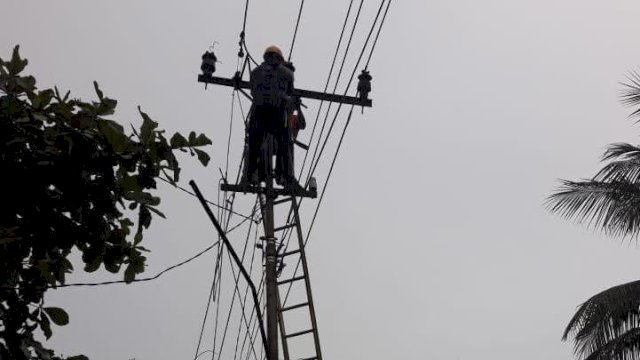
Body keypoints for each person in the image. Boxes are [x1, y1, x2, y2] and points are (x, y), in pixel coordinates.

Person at [242, 45, 302, 190]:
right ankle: (286, 178)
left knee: (254, 145)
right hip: (277, 113)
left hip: (258, 113)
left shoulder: (254, 72)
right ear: (280, 59)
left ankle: (249, 176)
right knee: (285, 144)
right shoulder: (287, 73)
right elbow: (290, 94)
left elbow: (253, 92)